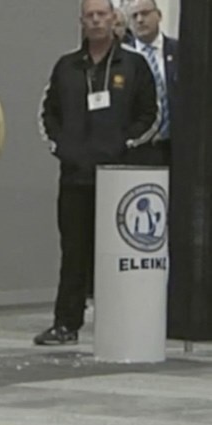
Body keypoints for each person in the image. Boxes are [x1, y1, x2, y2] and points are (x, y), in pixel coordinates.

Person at [34, 0, 159, 346]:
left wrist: (123, 146)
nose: (96, 21)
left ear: (113, 19)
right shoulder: (66, 67)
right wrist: (62, 148)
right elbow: (48, 114)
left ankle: (122, 323)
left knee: (119, 254)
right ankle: (65, 324)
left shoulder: (134, 66)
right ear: (81, 22)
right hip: (75, 177)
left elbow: (150, 115)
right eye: (89, 16)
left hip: (119, 178)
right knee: (73, 252)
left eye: (102, 15)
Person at [126, 0, 178, 166]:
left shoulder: (181, 51)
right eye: (134, 16)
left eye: (145, 13)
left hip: (178, 146)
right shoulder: (122, 59)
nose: (140, 20)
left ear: (159, 16)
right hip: (137, 149)